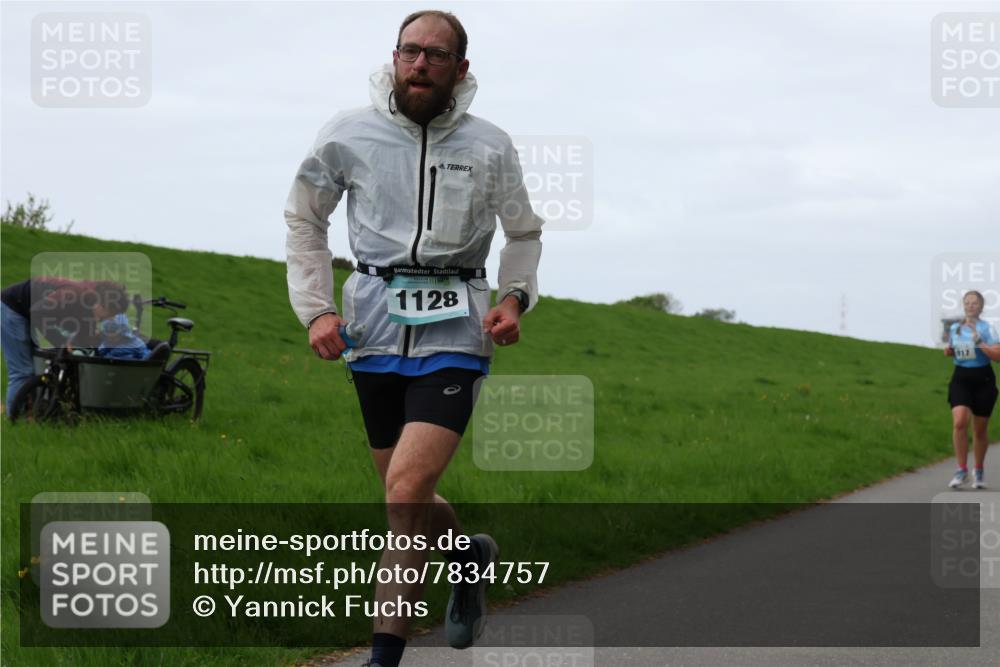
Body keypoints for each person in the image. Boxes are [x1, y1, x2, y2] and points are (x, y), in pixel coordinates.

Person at [284, 10, 542, 667]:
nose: (419, 62)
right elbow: (304, 218)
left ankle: (382, 657)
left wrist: (513, 297)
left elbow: (524, 232)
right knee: (409, 495)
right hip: (371, 327)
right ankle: (470, 557)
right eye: (409, 51)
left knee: (403, 494)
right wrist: (316, 309)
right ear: (394, 58)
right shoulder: (348, 133)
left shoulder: (490, 145)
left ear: (460, 70)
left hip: (456, 326)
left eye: (435, 54)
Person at [1, 278, 128, 416]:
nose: (109, 319)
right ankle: (14, 419)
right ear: (103, 306)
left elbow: (85, 333)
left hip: (26, 310)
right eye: (111, 314)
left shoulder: (91, 300)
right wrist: (61, 342)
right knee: (22, 371)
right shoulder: (71, 294)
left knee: (32, 367)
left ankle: (28, 414)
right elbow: (38, 312)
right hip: (12, 309)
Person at [944, 290, 1000, 489]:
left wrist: (978, 341)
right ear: (963, 305)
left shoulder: (988, 329)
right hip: (961, 378)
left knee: (980, 429)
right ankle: (961, 470)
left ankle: (979, 470)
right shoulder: (955, 328)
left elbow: (997, 356)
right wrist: (949, 351)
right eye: (967, 302)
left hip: (983, 379)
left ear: (981, 306)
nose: (970, 306)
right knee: (959, 421)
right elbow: (952, 349)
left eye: (974, 303)